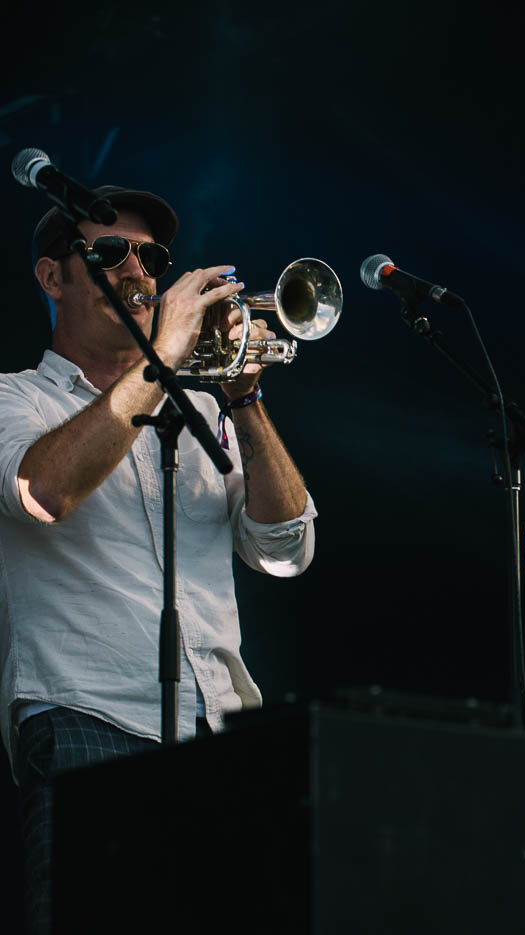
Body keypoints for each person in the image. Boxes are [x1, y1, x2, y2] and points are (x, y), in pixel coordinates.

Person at [0, 186, 317, 934]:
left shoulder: (201, 412)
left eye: (153, 258)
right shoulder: (15, 400)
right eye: (111, 253)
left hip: (221, 727)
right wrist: (163, 357)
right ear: (52, 277)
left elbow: (286, 550)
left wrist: (244, 399)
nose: (138, 273)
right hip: (87, 711)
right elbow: (44, 492)